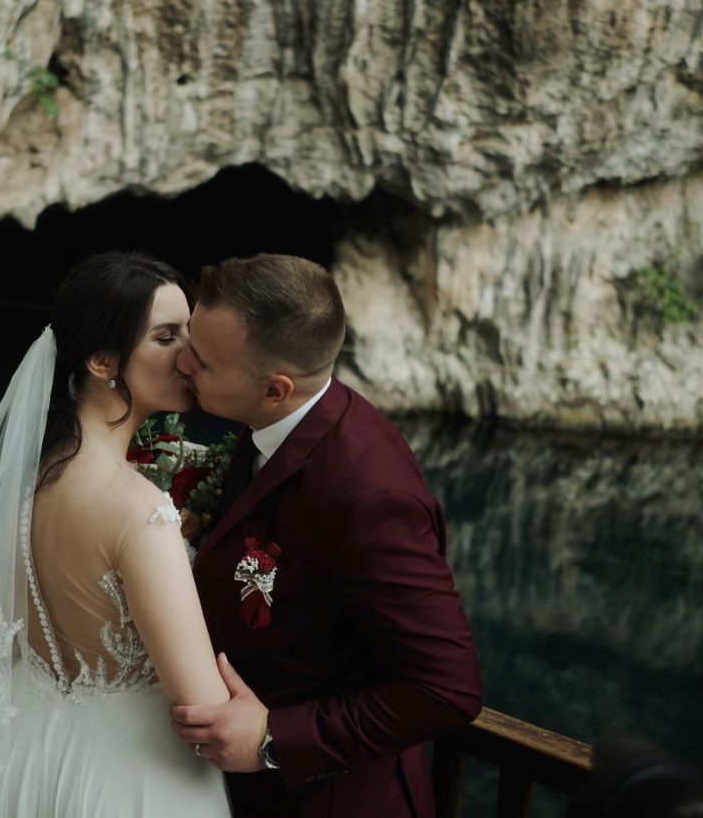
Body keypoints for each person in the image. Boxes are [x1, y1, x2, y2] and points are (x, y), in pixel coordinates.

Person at [169, 253, 483, 817]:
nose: (183, 362)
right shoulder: (269, 420)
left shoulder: (369, 495)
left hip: (331, 801)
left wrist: (272, 740)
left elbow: (447, 690)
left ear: (275, 389)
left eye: (205, 362)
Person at [0, 252, 231, 817]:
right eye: (166, 337)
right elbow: (204, 706)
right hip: (133, 777)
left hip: (26, 753)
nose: (191, 355)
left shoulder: (21, 475)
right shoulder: (140, 509)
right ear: (100, 360)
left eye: (189, 331)